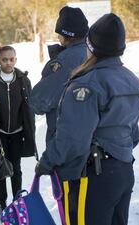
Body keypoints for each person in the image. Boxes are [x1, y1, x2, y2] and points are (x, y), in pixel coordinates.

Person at [35, 13, 139, 225]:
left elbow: (73, 140)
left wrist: (47, 162)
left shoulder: (87, 84)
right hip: (124, 172)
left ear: (91, 46)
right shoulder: (131, 81)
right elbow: (133, 137)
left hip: (94, 176)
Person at [0, 46, 37, 213]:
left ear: (16, 59)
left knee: (16, 168)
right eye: (5, 59)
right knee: (0, 167)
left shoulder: (22, 80)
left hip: (16, 133)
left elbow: (29, 108)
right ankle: (2, 202)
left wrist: (29, 132)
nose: (8, 62)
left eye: (11, 59)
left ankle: (17, 200)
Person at [30, 6, 89, 142]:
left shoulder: (65, 60)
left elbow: (38, 101)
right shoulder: (95, 54)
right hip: (91, 141)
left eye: (59, 33)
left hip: (64, 141)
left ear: (66, 35)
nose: (57, 36)